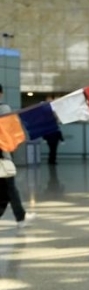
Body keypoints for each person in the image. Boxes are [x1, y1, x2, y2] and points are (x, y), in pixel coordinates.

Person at [0, 84, 33, 228]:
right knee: (9, 189)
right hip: (2, 156)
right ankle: (21, 218)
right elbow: (10, 133)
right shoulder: (3, 109)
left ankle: (21, 217)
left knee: (8, 190)